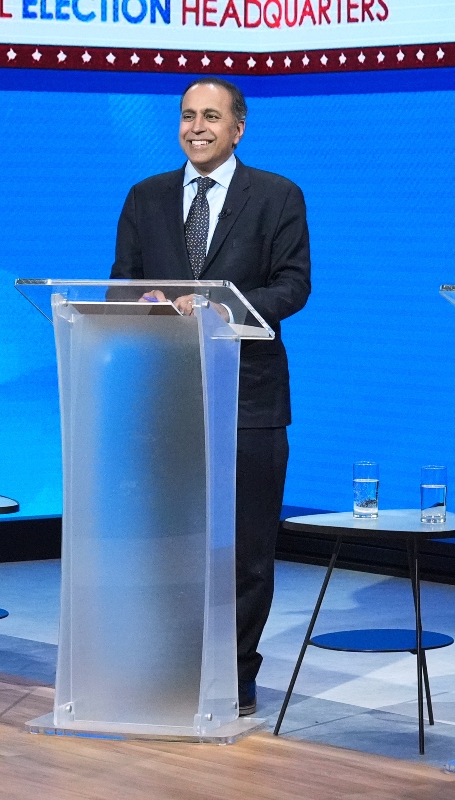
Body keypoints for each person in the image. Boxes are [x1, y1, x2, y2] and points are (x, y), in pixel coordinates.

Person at [110, 77, 312, 716]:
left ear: (238, 128)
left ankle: (236, 672)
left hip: (248, 398)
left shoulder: (277, 195)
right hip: (166, 396)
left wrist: (224, 308)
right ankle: (169, 661)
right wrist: (146, 303)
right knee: (170, 541)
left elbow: (294, 286)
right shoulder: (146, 197)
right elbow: (122, 286)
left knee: (247, 549)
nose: (197, 127)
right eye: (187, 116)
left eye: (211, 116)